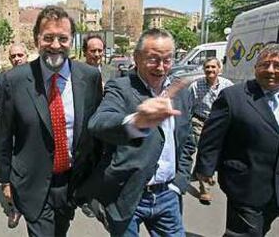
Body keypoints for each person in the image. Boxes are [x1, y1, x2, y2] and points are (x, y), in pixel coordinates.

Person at [0, 5, 103, 237]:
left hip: (72, 182)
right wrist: (5, 180)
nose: (55, 45)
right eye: (48, 38)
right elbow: (4, 135)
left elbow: (95, 132)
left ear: (72, 41)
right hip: (32, 182)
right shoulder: (14, 81)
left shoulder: (90, 77)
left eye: (63, 38)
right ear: (36, 40)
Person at [84, 29, 195, 236]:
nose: (161, 67)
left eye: (167, 60)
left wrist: (180, 182)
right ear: (137, 57)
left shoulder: (181, 93)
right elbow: (99, 123)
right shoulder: (120, 87)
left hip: (168, 195)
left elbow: (187, 141)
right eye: (153, 59)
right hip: (126, 195)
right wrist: (136, 121)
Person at [195, 43, 279, 236]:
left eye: (277, 65)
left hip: (278, 188)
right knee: (245, 233)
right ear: (255, 68)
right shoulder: (234, 97)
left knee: (261, 228)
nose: (270, 70)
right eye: (264, 65)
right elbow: (212, 136)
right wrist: (205, 167)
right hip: (246, 184)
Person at [188, 57, 233, 204]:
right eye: (207, 67)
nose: (210, 70)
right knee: (204, 150)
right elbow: (188, 106)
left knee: (219, 152)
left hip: (220, 124)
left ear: (219, 69)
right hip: (200, 122)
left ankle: (201, 172)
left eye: (213, 67)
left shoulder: (227, 86)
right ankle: (204, 187)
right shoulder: (196, 86)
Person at [0, 43, 29, 114]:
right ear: (10, 59)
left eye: (20, 55)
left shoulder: (37, 75)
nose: (16, 58)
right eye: (13, 56)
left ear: (26, 56)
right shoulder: (1, 78)